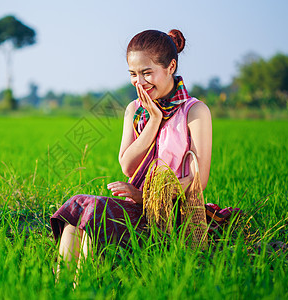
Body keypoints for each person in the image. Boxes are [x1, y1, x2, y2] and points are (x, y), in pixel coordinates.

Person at [50, 29, 212, 273]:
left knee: (93, 212)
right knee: (78, 211)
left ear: (171, 66)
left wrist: (144, 196)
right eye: (133, 74)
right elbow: (127, 165)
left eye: (147, 73)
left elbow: (200, 180)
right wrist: (154, 121)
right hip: (137, 210)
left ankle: (82, 287)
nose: (140, 82)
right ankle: (63, 288)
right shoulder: (134, 109)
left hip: (173, 214)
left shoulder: (195, 111)